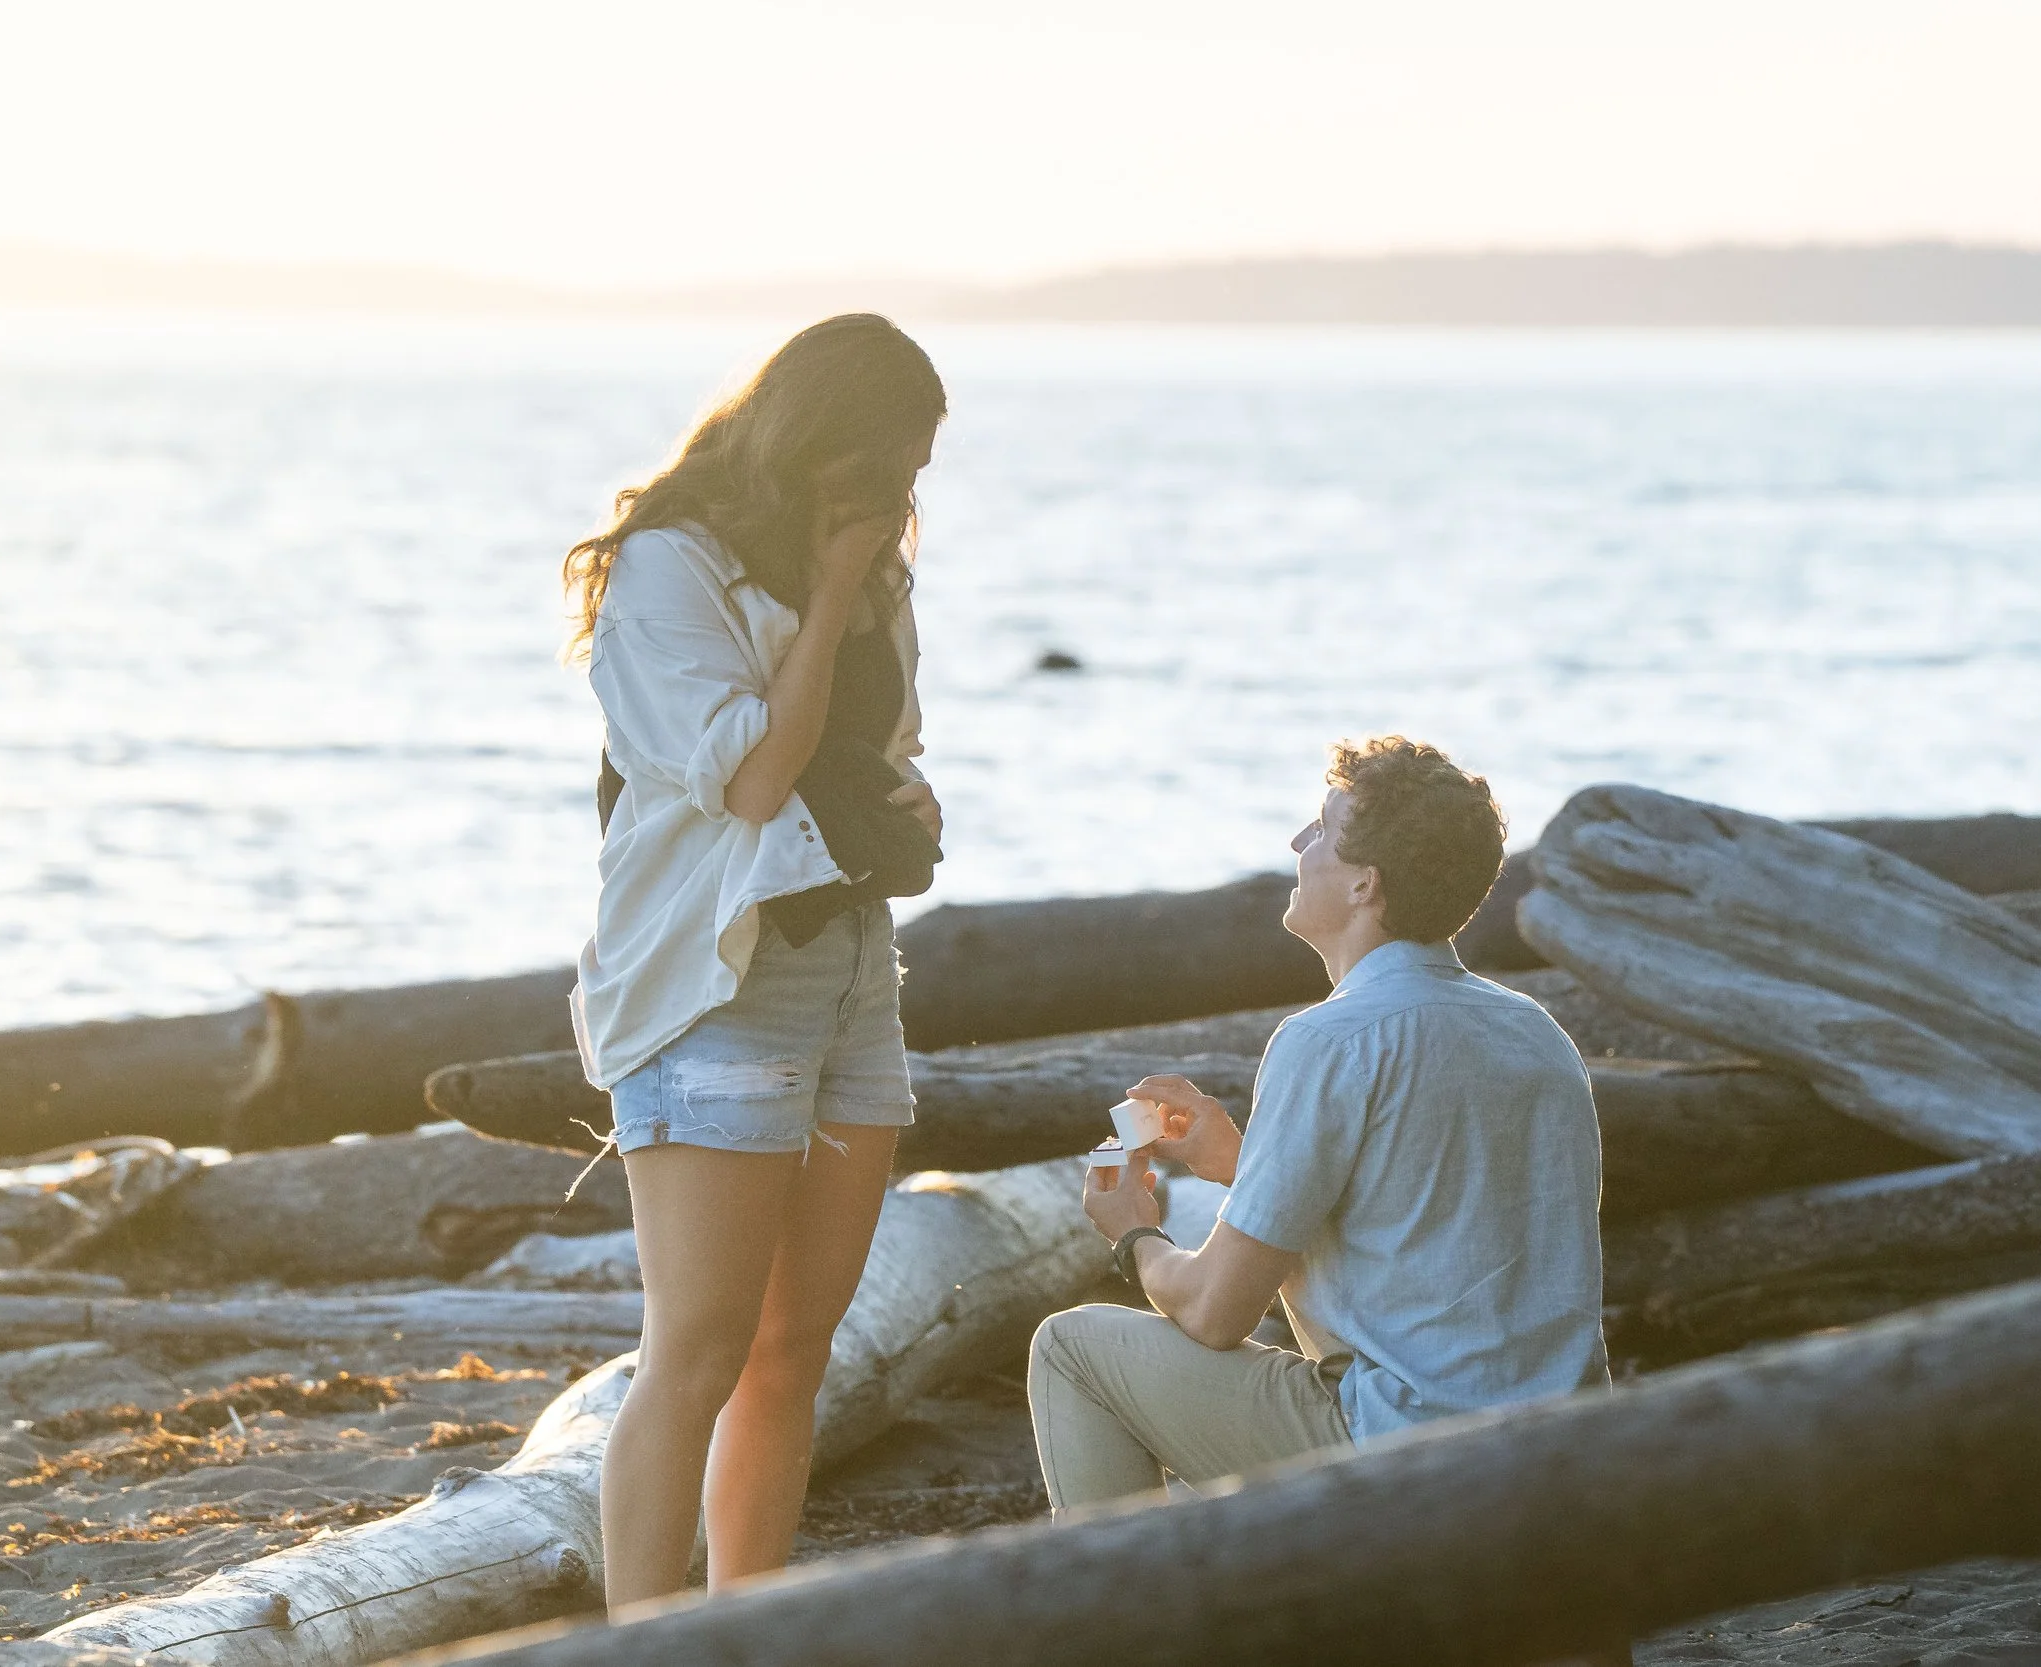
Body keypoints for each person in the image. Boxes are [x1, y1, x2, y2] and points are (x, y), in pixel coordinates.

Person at [563, 315, 947, 1605]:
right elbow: (754, 772)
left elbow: (863, 755)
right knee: (698, 1350)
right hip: (717, 985)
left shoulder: (871, 567)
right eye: (888, 463)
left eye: (916, 472)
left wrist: (909, 808)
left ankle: (751, 1629)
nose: (903, 497)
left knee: (794, 1351)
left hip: (847, 969)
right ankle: (644, 1635)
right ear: (815, 441)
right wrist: (837, 590)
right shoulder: (669, 567)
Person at [1031, 736, 1609, 1511]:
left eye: (1320, 830)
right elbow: (1425, 1242)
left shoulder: (1328, 1039)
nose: (1298, 844)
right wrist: (1248, 1165)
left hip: (1411, 1463)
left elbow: (1213, 1311)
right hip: (1569, 1464)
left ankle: (1131, 1630)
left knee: (1069, 1348)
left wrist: (1135, 1234)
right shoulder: (1535, 1033)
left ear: (1365, 884)